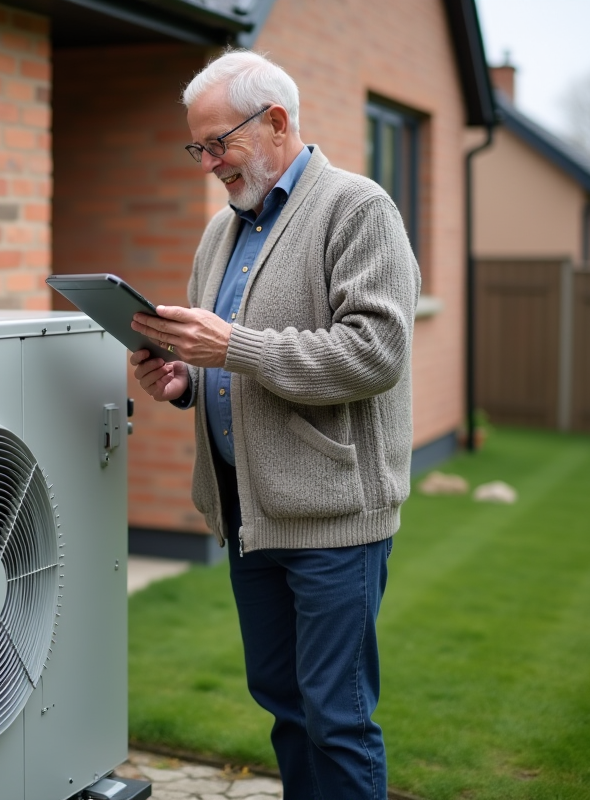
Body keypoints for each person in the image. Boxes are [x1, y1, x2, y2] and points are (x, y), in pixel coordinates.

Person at [129, 50, 420, 800]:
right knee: (286, 711)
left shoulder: (359, 210)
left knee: (338, 720)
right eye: (197, 147)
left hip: (334, 519)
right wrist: (185, 379)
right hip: (248, 514)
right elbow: (231, 366)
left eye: (217, 143)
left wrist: (231, 346)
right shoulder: (219, 235)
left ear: (278, 122)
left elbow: (376, 352)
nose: (207, 164)